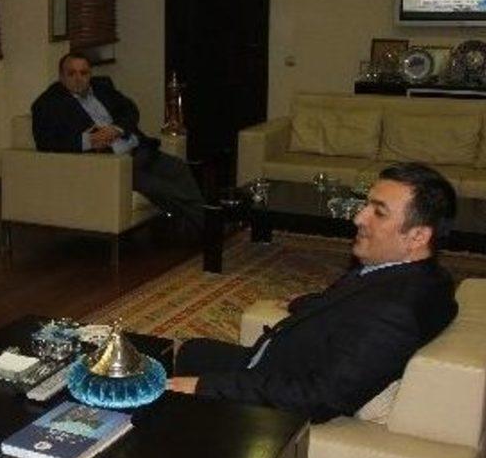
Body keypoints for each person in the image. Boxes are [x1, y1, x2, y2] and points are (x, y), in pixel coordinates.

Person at [167, 162, 459, 423]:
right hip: (275, 363)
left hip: (272, 392)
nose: (359, 217)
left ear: (418, 236)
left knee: (166, 390)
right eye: (366, 205)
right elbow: (353, 309)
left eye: (379, 212)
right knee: (189, 350)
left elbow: (321, 397)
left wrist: (204, 387)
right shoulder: (417, 275)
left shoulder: (395, 313)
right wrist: (305, 303)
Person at [31, 52, 205, 229]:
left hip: (138, 151)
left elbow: (130, 109)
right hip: (114, 165)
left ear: (90, 74)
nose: (78, 78)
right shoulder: (48, 104)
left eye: (83, 73)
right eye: (71, 73)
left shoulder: (102, 88)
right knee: (162, 187)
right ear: (61, 76)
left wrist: (117, 128)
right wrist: (88, 141)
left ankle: (199, 223)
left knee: (179, 168)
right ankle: (207, 224)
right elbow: (45, 142)